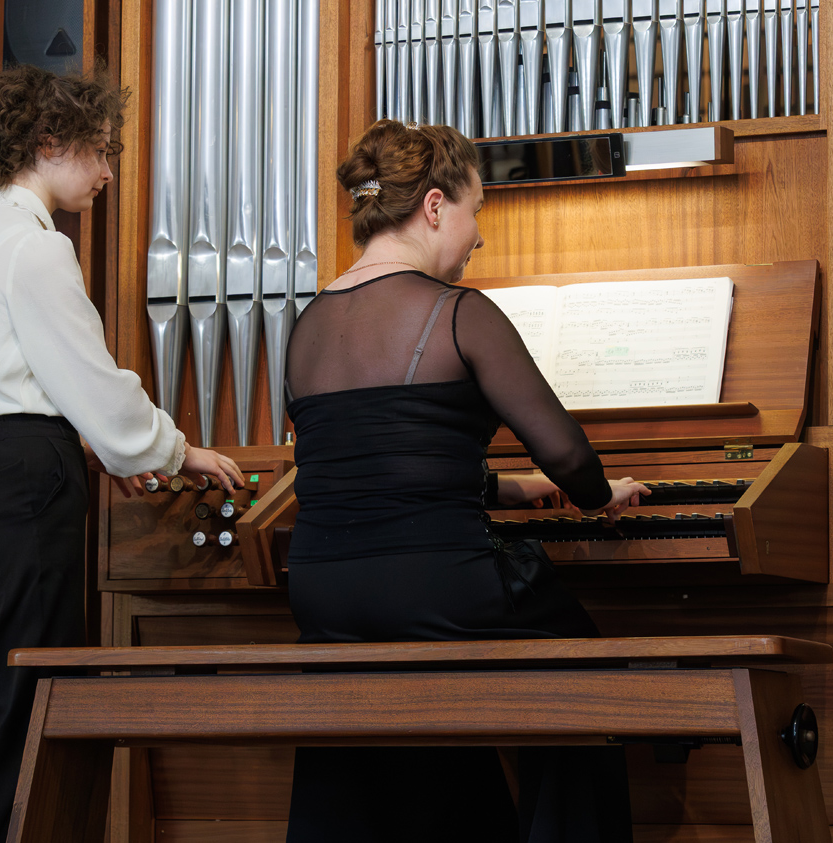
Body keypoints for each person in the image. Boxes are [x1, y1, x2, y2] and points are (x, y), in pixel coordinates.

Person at [283, 119, 648, 842]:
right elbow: (568, 454)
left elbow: (379, 463)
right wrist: (596, 496)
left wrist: (508, 488)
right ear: (433, 207)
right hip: (435, 587)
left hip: (324, 592)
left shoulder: (306, 325)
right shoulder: (459, 313)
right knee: (589, 672)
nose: (477, 236)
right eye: (475, 211)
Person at [0, 64, 244, 843]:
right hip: (25, 486)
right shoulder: (37, 249)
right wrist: (174, 448)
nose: (107, 171)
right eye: (98, 150)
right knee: (30, 721)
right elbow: (91, 380)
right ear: (47, 142)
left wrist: (81, 450)